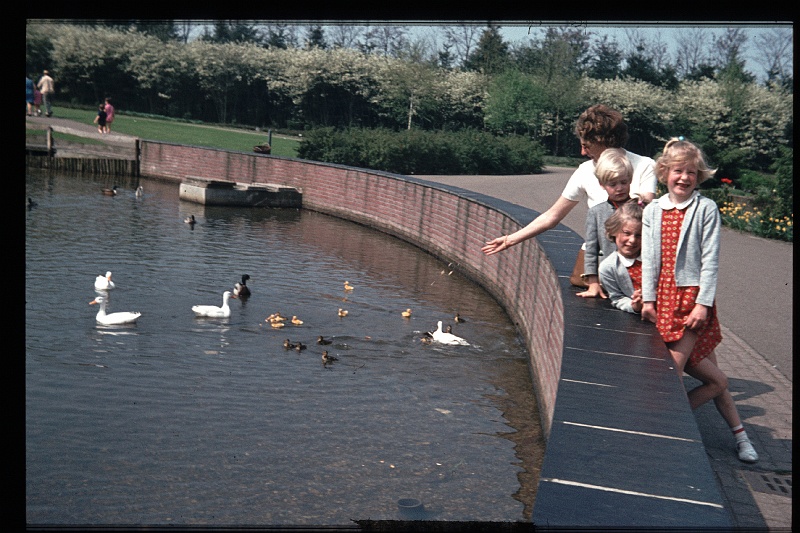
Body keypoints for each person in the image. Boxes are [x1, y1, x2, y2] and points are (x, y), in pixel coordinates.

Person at [641, 137, 758, 463]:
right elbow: (649, 259)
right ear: (665, 173)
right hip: (663, 298)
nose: (684, 177)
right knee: (717, 380)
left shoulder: (705, 208)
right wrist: (648, 300)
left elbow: (710, 260)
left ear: (699, 175)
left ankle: (661, 429)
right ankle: (742, 437)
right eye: (678, 171)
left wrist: (702, 304)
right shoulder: (653, 210)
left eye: (691, 172)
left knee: (673, 372)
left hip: (690, 300)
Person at [481, 104, 657, 288]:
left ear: (603, 141)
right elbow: (553, 215)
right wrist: (511, 239)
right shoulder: (585, 171)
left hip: (634, 255)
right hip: (596, 258)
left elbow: (647, 208)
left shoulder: (644, 165)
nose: (582, 152)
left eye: (586, 146)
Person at [578, 148, 633, 299]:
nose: (619, 188)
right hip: (611, 278)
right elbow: (591, 248)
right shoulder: (596, 213)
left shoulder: (641, 209)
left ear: (630, 180)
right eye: (613, 184)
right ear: (602, 184)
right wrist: (593, 282)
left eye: (623, 182)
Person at [598, 200, 644, 314]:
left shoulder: (654, 258)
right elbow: (617, 298)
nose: (632, 240)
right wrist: (634, 306)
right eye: (627, 233)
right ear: (614, 231)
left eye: (639, 235)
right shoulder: (608, 268)